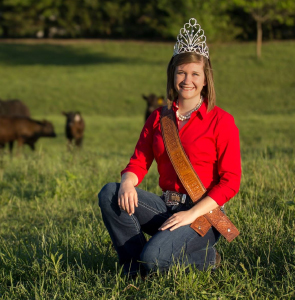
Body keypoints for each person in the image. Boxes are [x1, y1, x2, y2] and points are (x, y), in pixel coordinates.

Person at [97, 18, 241, 276]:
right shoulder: (158, 119)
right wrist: (128, 182)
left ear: (205, 79)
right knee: (110, 193)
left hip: (203, 217)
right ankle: (134, 266)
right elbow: (138, 162)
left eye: (195, 74)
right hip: (166, 208)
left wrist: (191, 214)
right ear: (173, 75)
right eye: (182, 72)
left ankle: (203, 259)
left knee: (154, 259)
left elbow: (231, 182)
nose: (188, 80)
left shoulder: (222, 121)